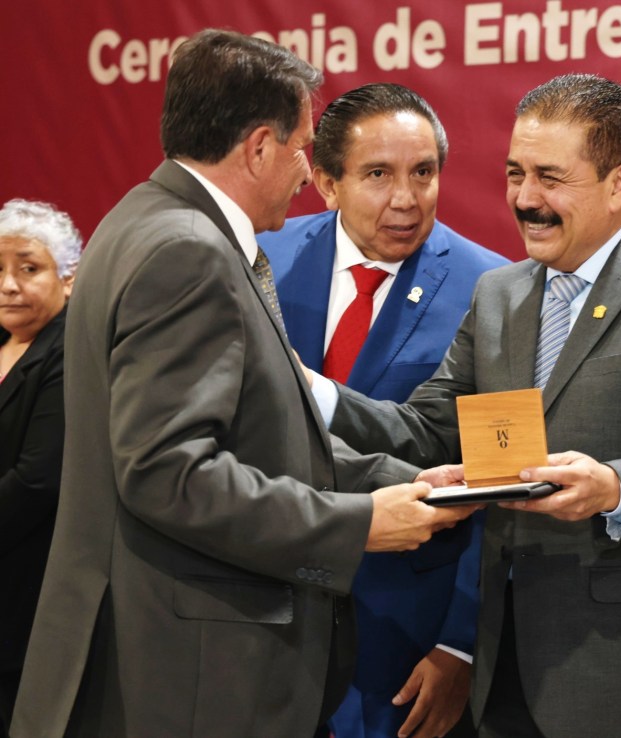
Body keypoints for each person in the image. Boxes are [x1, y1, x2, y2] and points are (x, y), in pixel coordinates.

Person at [9, 30, 474, 738]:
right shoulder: (189, 250)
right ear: (259, 147)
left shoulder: (139, 218)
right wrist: (359, 523)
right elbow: (167, 473)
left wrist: (398, 480)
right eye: (302, 148)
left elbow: (254, 431)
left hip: (153, 647)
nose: (305, 172)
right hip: (183, 667)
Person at [311, 74, 621, 737]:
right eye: (515, 173)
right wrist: (309, 391)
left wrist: (612, 487)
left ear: (618, 183)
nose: (525, 198)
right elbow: (427, 427)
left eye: (550, 178)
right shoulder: (499, 294)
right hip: (503, 664)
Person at [258, 83, 509, 738]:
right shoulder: (261, 261)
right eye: (378, 175)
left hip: (406, 632)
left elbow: (503, 479)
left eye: (423, 172)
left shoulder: (496, 290)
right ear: (326, 182)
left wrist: (461, 644)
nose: (406, 198)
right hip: (269, 616)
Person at [0, 199, 81, 737]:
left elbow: (38, 480)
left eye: (28, 268)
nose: (8, 285)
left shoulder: (68, 349)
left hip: (27, 592)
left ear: (68, 278)